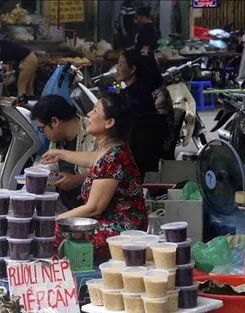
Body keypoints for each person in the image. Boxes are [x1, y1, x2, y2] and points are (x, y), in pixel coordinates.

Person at [41, 94, 148, 261]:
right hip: (107, 223)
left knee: (50, 234)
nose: (89, 114)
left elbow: (93, 208)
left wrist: (52, 221)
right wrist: (60, 153)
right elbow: (92, 159)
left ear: (109, 122)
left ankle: (64, 281)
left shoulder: (114, 156)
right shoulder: (108, 150)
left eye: (95, 111)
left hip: (122, 229)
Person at [31, 95, 96, 210]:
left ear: (55, 121)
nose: (42, 133)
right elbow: (51, 166)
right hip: (63, 203)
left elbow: (106, 170)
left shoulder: (93, 132)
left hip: (87, 207)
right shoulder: (58, 138)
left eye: (42, 129)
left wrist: (77, 180)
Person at [116, 49, 157, 115]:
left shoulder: (129, 95)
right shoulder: (143, 90)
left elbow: (110, 98)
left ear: (132, 69)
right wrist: (116, 84)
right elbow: (112, 91)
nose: (116, 68)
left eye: (120, 65)